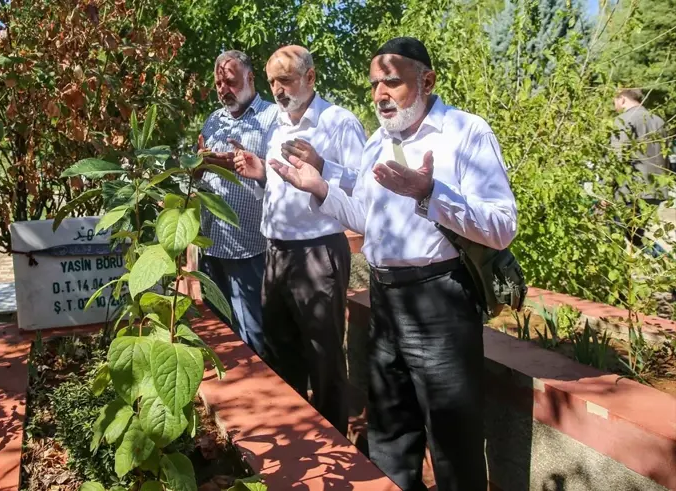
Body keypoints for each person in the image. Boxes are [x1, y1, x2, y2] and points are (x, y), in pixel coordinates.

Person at [267, 37, 517, 491]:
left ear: (427, 80)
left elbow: (502, 225)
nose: (380, 94)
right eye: (375, 84)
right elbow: (366, 218)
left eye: (392, 82)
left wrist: (430, 194)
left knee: (453, 443)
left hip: (440, 301)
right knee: (388, 437)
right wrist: (319, 188)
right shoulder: (377, 142)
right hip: (385, 304)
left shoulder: (465, 132)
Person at [232, 45, 366, 435]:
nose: (278, 89)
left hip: (317, 253)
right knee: (279, 352)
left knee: (323, 359)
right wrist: (260, 174)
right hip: (275, 252)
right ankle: (294, 439)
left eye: (286, 79)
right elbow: (281, 189)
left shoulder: (339, 122)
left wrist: (324, 165)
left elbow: (365, 189)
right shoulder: (275, 124)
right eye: (272, 81)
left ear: (310, 77)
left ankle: (333, 443)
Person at [196, 50, 278, 356]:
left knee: (254, 335)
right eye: (218, 83)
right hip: (210, 244)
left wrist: (246, 166)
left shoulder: (272, 119)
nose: (222, 89)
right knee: (220, 335)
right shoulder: (213, 121)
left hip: (250, 247)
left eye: (229, 81)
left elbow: (284, 179)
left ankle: (267, 400)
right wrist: (197, 167)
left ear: (250, 78)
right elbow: (201, 174)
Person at [611, 88, 670, 252]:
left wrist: (606, 187)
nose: (614, 105)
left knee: (615, 232)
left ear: (622, 99)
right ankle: (663, 260)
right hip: (656, 189)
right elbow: (665, 157)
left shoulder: (623, 120)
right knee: (637, 235)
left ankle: (664, 261)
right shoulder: (658, 121)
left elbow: (617, 158)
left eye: (614, 101)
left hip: (631, 190)